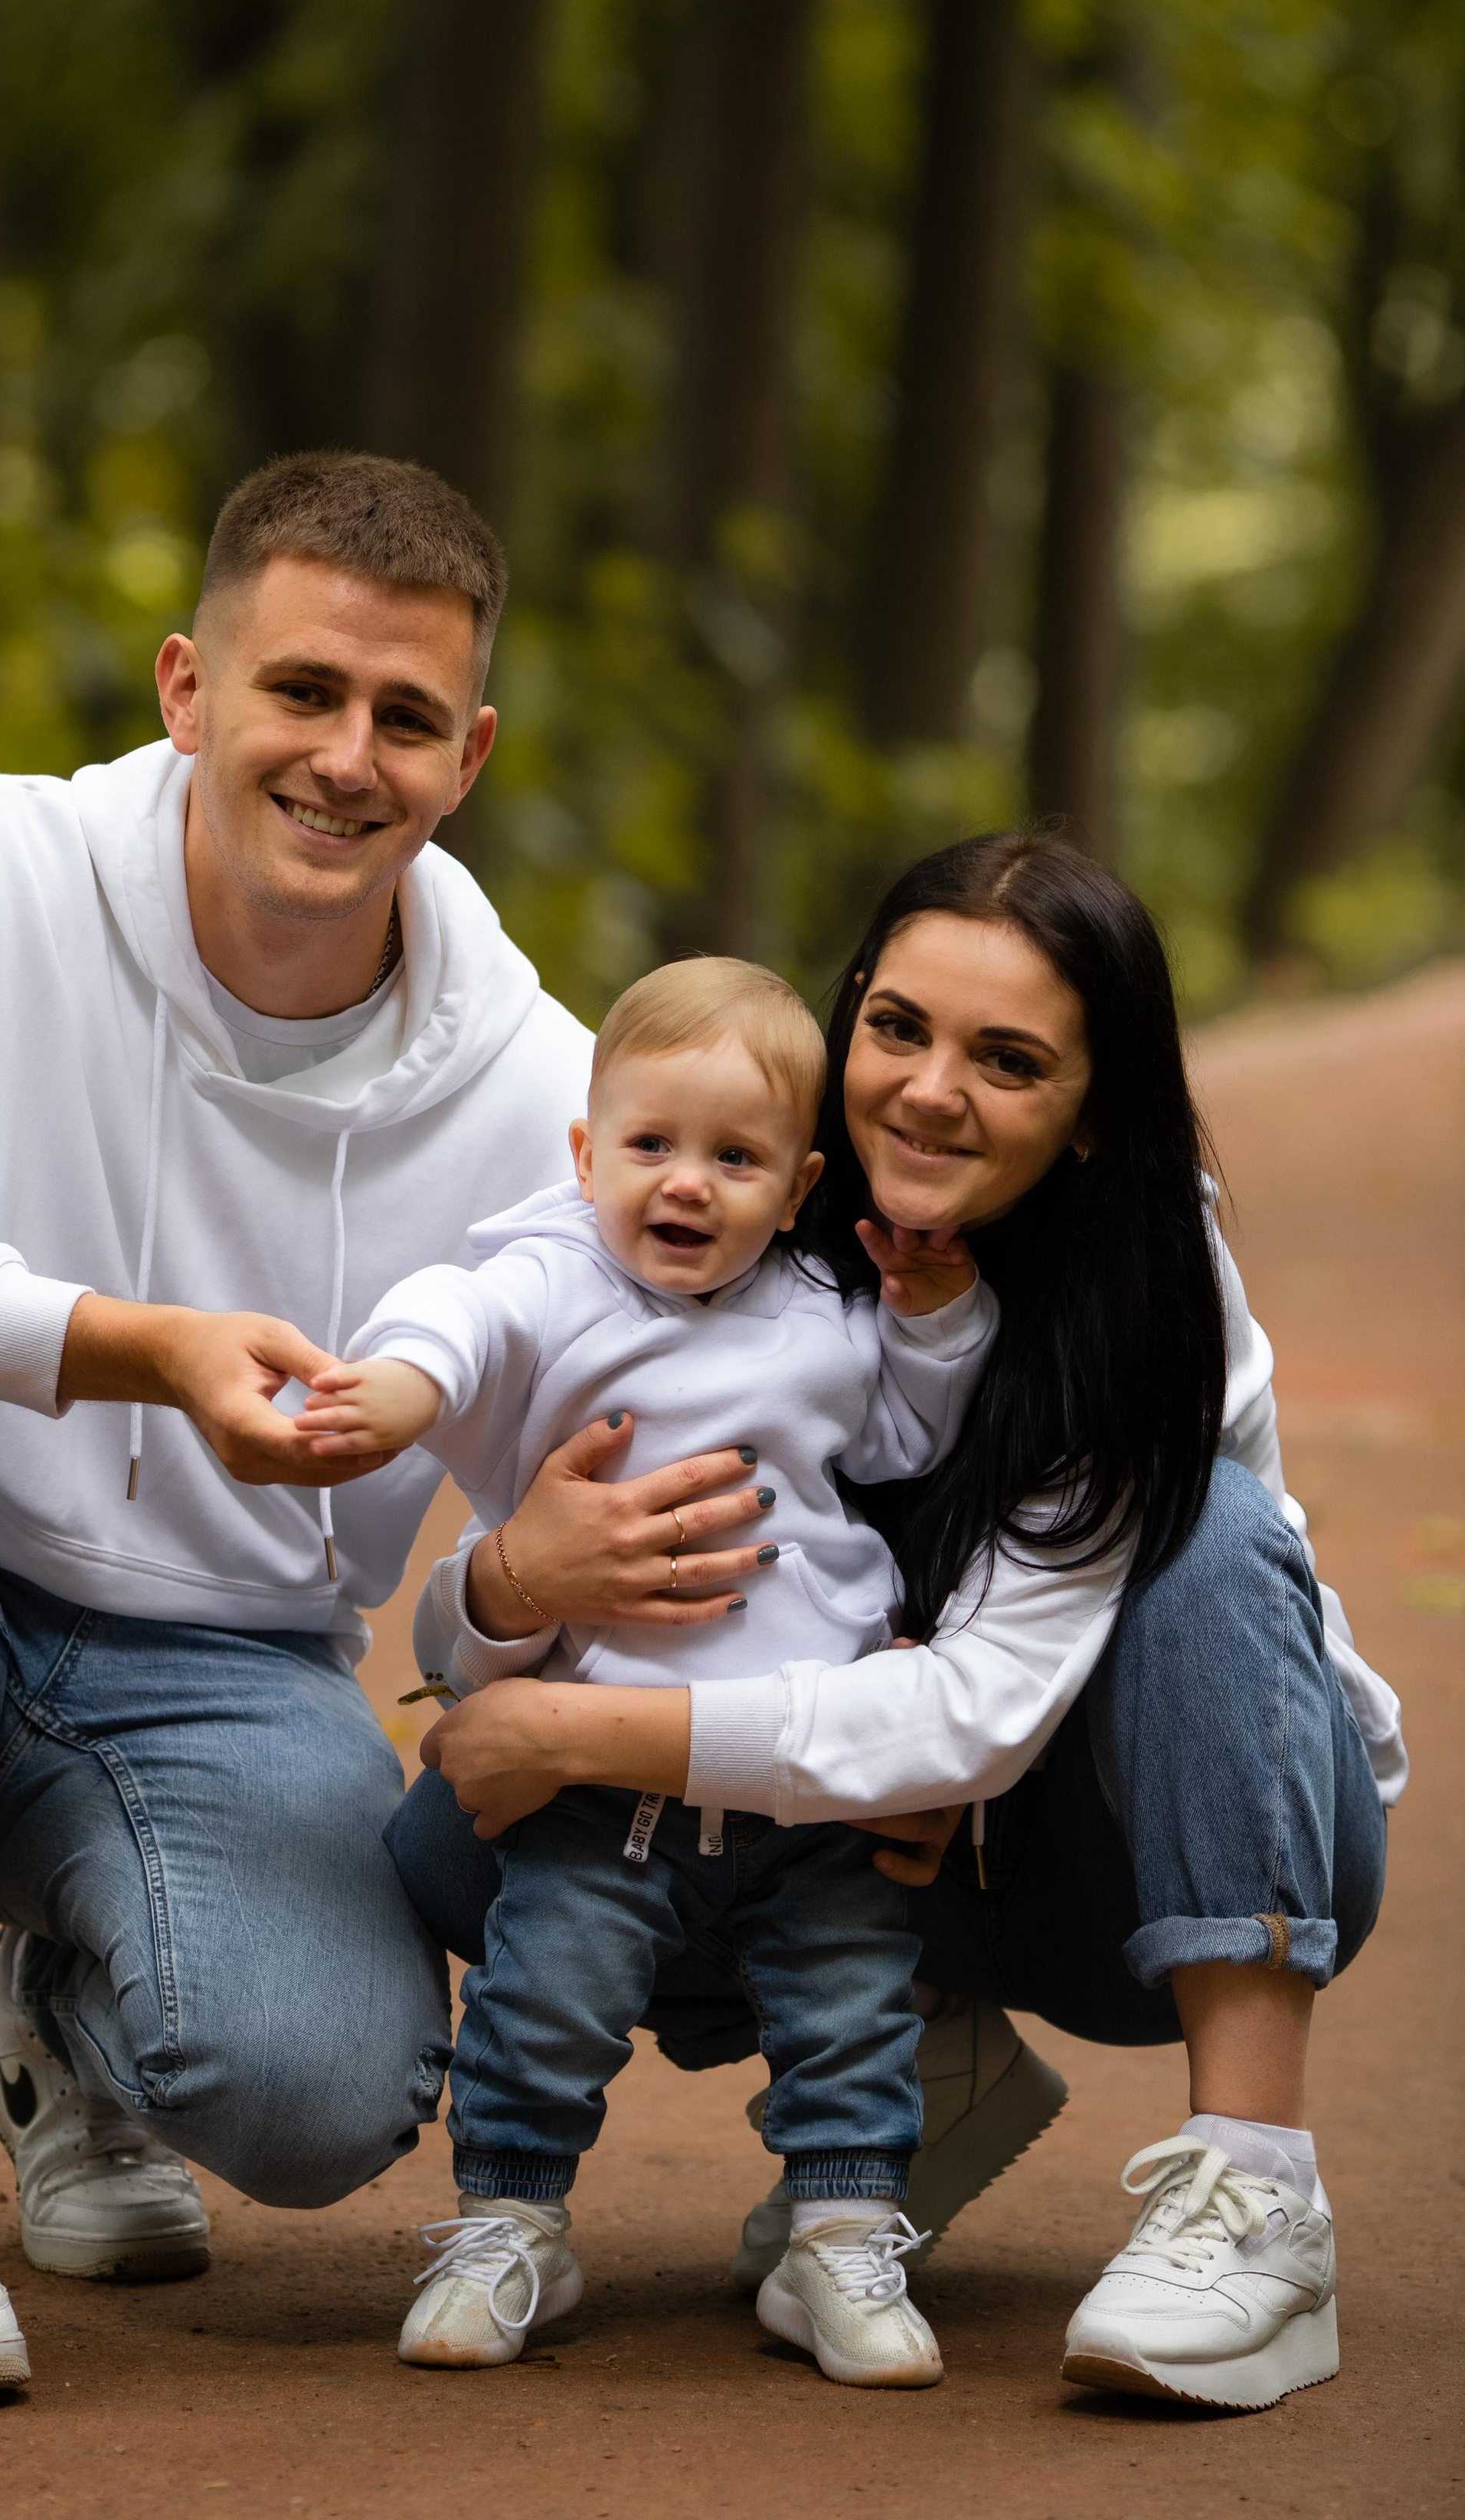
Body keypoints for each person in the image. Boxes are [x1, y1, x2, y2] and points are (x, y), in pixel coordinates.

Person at [0, 452, 696, 2402]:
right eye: (299, 691)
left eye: (400, 718)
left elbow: (606, 1487)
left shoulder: (542, 1090)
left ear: (466, 755)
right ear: (186, 689)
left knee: (321, 2101)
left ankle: (54, 2009)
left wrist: (517, 1584)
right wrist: (132, 1347)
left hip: (227, 1673)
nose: (342, 758)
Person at [388, 833, 1403, 2414]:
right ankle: (922, 2061)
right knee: (462, 1847)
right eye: (899, 1028)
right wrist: (509, 1589)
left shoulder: (1139, 1292)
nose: (928, 1092)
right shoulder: (726, 1172)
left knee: (1208, 1528)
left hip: (1138, 1840)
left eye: (1006, 1061)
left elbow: (985, 1710)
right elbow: (476, 1629)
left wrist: (571, 1726)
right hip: (854, 1831)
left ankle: (1256, 2184)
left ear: (1087, 1113)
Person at [305, 957, 996, 2381]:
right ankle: (512, 2224)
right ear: (586, 1154)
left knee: (851, 2002)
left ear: (799, 1184)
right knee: (548, 1990)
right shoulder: (557, 1275)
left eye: (736, 1159)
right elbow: (461, 1313)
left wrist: (931, 1316)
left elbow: (915, 1441)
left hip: (814, 1765)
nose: (687, 1186)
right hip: (603, 1758)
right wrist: (400, 1388)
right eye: (651, 1147)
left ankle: (843, 2238)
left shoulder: (826, 1304)